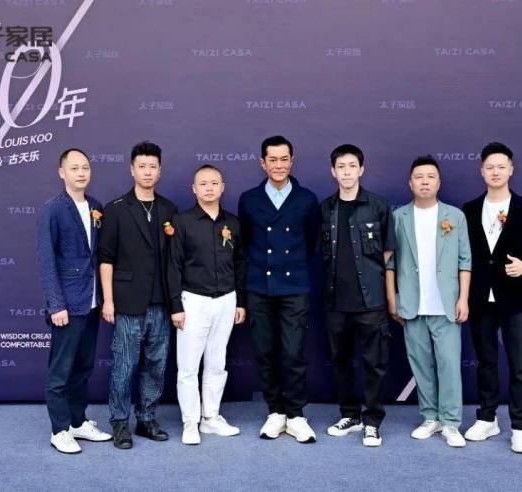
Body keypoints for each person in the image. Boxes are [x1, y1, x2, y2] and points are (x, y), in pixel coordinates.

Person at [462, 142, 522, 454]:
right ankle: (487, 418)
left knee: (519, 365)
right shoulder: (469, 209)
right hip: (479, 298)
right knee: (486, 361)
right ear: (481, 171)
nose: (495, 172)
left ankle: (521, 426)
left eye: (501, 166)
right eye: (490, 167)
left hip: (514, 299)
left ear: (511, 169)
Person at [237, 135, 321, 443]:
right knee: (265, 351)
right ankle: (275, 411)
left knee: (293, 352)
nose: (279, 165)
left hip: (294, 286)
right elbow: (245, 243)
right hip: (259, 286)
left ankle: (296, 414)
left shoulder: (307, 199)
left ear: (292, 161)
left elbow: (311, 243)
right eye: (272, 159)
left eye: (284, 159)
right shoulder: (249, 199)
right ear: (263, 163)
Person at [386, 155, 471, 448]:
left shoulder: (455, 217)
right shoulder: (398, 217)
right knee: (421, 365)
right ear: (410, 183)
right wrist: (393, 299)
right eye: (419, 177)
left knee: (449, 365)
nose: (425, 181)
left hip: (446, 306)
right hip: (412, 305)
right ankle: (430, 417)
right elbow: (390, 263)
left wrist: (463, 298)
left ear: (439, 182)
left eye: (430, 176)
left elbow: (465, 261)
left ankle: (451, 422)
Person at [98, 141, 178, 450]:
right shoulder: (116, 208)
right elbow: (106, 258)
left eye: (152, 166)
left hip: (160, 302)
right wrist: (108, 300)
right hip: (127, 301)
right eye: (141, 166)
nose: (147, 172)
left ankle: (146, 418)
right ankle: (119, 422)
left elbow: (174, 261)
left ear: (160, 171)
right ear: (132, 170)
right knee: (124, 365)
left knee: (155, 365)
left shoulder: (169, 209)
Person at [37, 148, 112, 454]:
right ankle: (59, 430)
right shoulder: (52, 209)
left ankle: (78, 422)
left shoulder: (96, 206)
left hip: (91, 303)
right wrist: (56, 305)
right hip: (67, 305)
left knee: (83, 367)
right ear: (62, 172)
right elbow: (46, 260)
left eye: (85, 168)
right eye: (74, 168)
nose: (81, 173)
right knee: (61, 372)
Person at [320, 144, 396, 447]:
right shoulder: (325, 208)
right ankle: (350, 415)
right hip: (335, 301)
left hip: (371, 302)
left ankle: (372, 421)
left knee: (374, 363)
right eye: (341, 166)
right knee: (339, 361)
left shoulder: (378, 206)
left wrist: (388, 296)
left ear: (361, 169)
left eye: (352, 166)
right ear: (333, 171)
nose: (347, 172)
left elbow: (388, 254)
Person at [167, 165, 247, 445]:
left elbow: (240, 264)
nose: (209, 188)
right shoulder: (182, 222)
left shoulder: (233, 223)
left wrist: (241, 302)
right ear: (194, 189)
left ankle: (210, 417)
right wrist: (176, 306)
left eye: (214, 183)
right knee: (188, 367)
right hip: (193, 302)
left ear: (222, 187)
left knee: (217, 363)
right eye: (203, 183)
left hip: (226, 300)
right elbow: (173, 266)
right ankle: (190, 422)